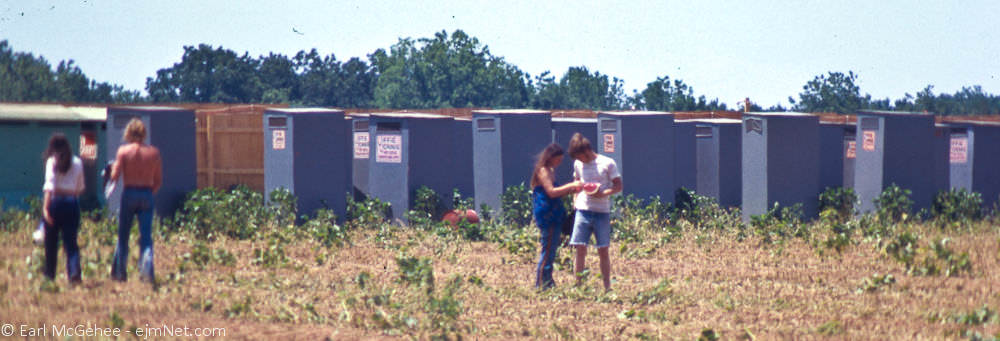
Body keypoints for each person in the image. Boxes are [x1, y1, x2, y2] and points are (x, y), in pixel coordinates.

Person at [567, 133, 622, 291]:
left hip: (601, 212)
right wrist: (575, 202)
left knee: (603, 250)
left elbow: (618, 186)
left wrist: (602, 193)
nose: (580, 161)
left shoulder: (607, 163)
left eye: (581, 157)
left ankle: (607, 287)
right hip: (582, 210)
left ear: (586, 151)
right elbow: (577, 182)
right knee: (579, 248)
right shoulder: (578, 164)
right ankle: (579, 286)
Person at [110, 118, 162, 284]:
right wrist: (148, 193)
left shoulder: (124, 151)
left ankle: (119, 273)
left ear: (128, 133)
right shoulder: (153, 153)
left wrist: (111, 169)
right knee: (146, 237)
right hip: (146, 193)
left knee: (123, 235)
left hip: (129, 192)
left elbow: (114, 176)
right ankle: (147, 270)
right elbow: (158, 181)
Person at [530, 143, 581, 289]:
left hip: (555, 213)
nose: (559, 163)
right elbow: (551, 191)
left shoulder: (550, 170)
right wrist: (571, 187)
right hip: (548, 214)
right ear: (551, 157)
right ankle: (541, 282)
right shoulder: (543, 170)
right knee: (548, 249)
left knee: (552, 249)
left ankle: (547, 279)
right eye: (558, 159)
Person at [41, 133, 85, 286]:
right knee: (71, 243)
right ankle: (74, 274)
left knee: (51, 243)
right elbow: (80, 188)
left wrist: (45, 209)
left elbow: (49, 187)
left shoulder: (51, 162)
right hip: (71, 204)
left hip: (55, 203)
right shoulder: (78, 162)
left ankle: (49, 276)